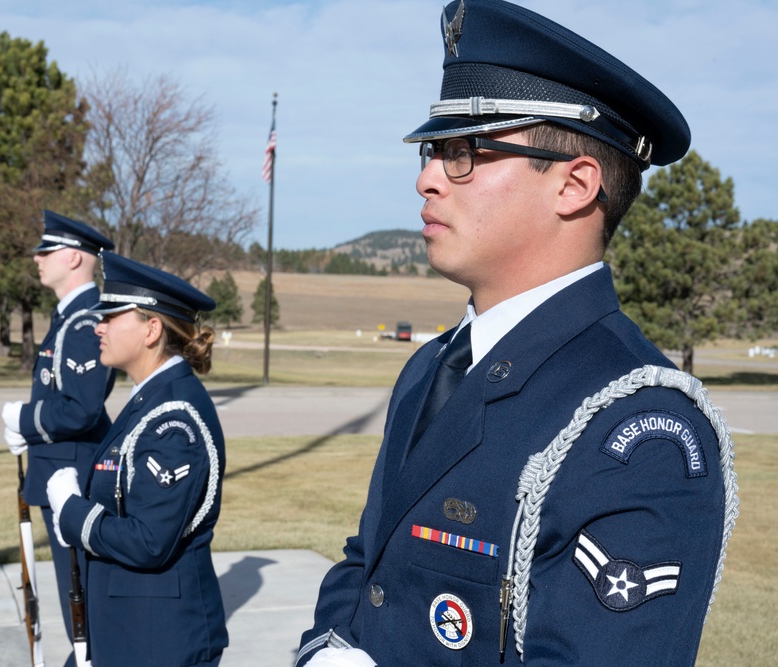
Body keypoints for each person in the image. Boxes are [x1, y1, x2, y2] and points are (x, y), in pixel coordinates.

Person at [296, 1, 735, 665]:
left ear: (575, 184)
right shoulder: (431, 369)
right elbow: (369, 561)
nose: (426, 178)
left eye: (465, 153)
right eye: (432, 152)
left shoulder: (642, 427)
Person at [46, 251, 228, 667]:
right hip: (128, 630)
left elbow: (149, 541)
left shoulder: (173, 418)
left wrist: (71, 512)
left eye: (111, 316)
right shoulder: (150, 400)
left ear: (151, 329)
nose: (98, 325)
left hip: (156, 639)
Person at [1, 210, 116, 667]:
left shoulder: (85, 322)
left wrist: (25, 419)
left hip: (73, 473)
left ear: (73, 258)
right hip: (58, 469)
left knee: (81, 597)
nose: (37, 258)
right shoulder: (68, 318)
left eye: (46, 251)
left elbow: (82, 408)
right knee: (76, 597)